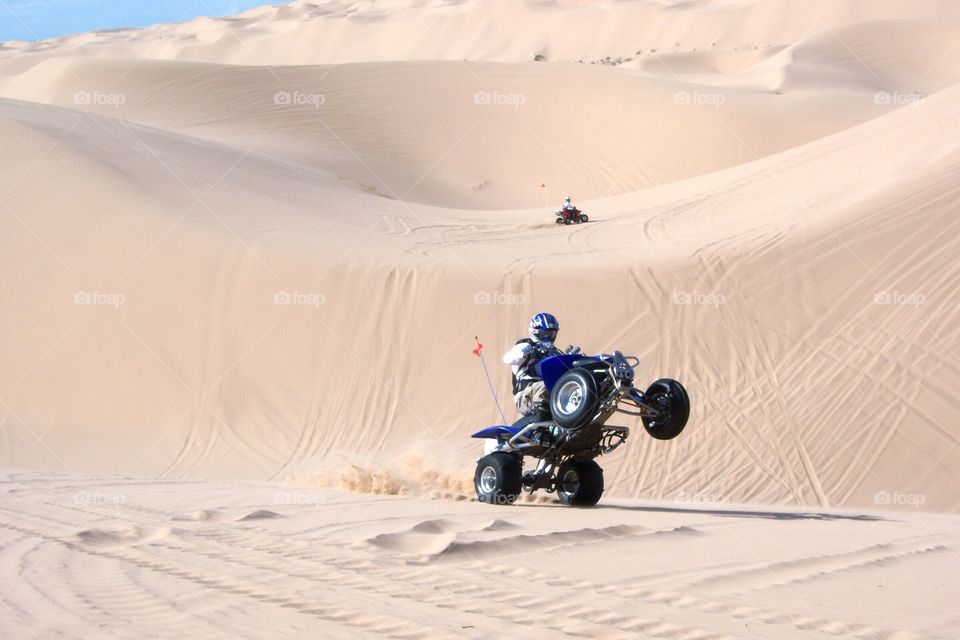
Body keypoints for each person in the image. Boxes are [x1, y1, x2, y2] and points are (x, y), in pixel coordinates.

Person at [502, 313, 562, 416]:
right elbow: (507, 358)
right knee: (547, 387)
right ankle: (540, 425)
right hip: (525, 396)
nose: (548, 337)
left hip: (549, 392)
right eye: (545, 334)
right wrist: (525, 354)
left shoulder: (553, 352)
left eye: (551, 334)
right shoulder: (526, 345)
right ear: (535, 331)